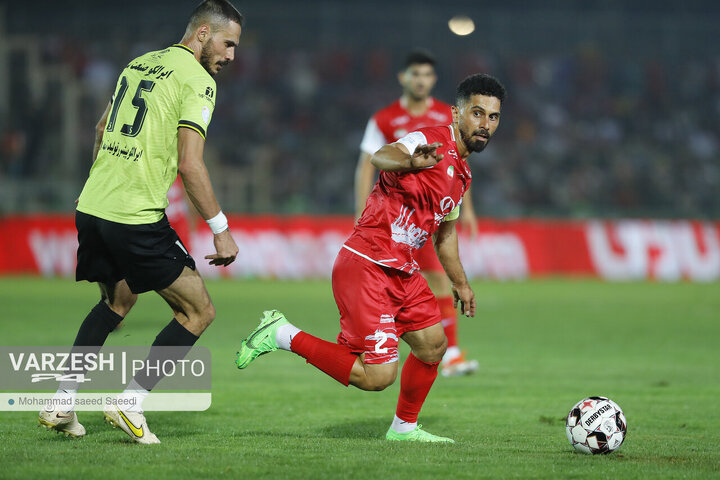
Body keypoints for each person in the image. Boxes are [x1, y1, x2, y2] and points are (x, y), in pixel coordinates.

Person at [236, 73, 506, 443]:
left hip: (403, 270)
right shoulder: (430, 139)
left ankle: (403, 429)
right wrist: (411, 161)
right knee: (377, 377)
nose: (485, 124)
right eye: (477, 113)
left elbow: (445, 235)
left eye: (493, 117)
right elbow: (382, 155)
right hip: (367, 263)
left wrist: (460, 283)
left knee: (433, 346)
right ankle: (282, 334)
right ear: (457, 113)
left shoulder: (462, 174)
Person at [38, 0, 243, 444]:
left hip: (93, 206)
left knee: (115, 304)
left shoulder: (140, 62)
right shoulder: (197, 80)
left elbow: (100, 128)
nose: (230, 56)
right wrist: (220, 227)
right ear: (203, 33)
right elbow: (191, 164)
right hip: (134, 215)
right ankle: (129, 401)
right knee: (198, 310)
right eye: (228, 44)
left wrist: (96, 181)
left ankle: (61, 400)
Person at [355, 50, 479, 377]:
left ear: (433, 80)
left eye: (427, 75)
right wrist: (360, 209)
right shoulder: (384, 119)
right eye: (415, 74)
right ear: (403, 78)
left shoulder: (446, 114)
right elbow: (368, 164)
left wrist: (466, 210)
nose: (421, 80)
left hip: (429, 216)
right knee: (420, 281)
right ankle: (408, 343)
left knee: (439, 277)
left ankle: (448, 351)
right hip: (394, 215)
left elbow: (458, 168)